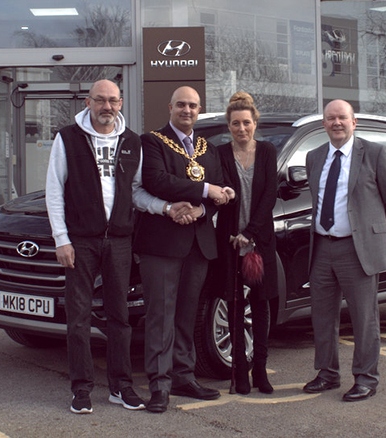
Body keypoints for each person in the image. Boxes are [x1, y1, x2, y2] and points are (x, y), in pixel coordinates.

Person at [45, 79, 189, 414]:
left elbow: (137, 192)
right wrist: (61, 239)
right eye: (100, 100)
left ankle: (121, 386)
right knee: (79, 318)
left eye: (113, 101)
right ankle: (81, 388)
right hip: (80, 241)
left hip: (120, 242)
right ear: (88, 101)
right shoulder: (67, 138)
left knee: (119, 318)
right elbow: (54, 190)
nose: (106, 107)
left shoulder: (131, 142)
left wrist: (166, 208)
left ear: (121, 103)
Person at [134, 86, 234, 413]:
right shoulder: (151, 142)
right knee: (160, 316)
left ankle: (183, 376)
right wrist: (205, 189)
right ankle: (159, 385)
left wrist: (202, 210)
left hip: (197, 243)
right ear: (170, 107)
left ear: (199, 109)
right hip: (161, 244)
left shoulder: (209, 149)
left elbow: (219, 198)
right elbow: (157, 181)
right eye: (181, 105)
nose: (187, 110)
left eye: (192, 105)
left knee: (186, 315)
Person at [303, 99, 386, 402]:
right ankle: (327, 373)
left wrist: (367, 233)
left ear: (353, 121)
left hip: (356, 250)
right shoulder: (314, 156)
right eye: (330, 118)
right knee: (322, 315)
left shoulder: (374, 153)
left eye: (342, 118)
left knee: (364, 317)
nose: (336, 123)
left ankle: (366, 378)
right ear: (324, 124)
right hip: (321, 247)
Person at [214, 91, 277, 394]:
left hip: (259, 242)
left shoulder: (266, 152)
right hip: (230, 242)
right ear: (229, 126)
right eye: (236, 124)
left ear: (255, 123)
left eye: (247, 123)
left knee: (260, 304)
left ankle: (261, 370)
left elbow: (268, 198)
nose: (242, 129)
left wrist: (250, 233)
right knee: (235, 306)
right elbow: (219, 195)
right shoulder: (221, 155)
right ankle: (240, 371)